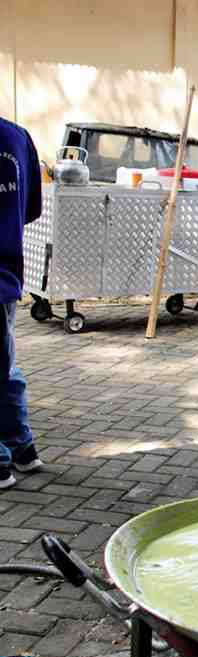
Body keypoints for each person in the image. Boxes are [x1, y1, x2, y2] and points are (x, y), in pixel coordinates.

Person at [0, 118, 45, 489]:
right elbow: (30, 208)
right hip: (6, 272)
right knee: (5, 364)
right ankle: (21, 449)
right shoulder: (17, 136)